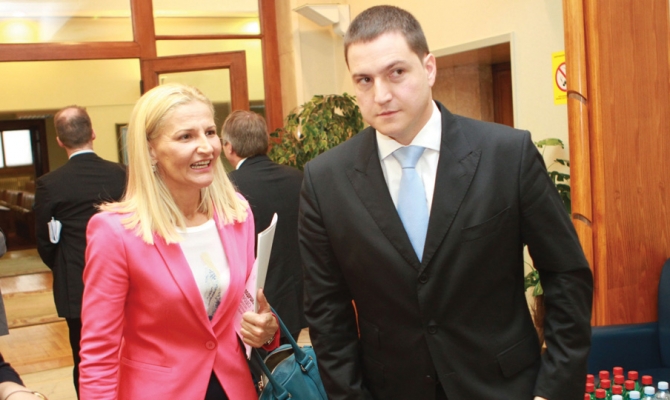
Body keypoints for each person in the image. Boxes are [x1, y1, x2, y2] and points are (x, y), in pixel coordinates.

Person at [298, 5, 593, 400]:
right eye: (364, 80)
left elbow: (567, 275)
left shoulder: (507, 155)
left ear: (429, 68)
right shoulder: (325, 181)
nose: (381, 95)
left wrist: (553, 391)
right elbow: (327, 314)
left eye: (396, 72)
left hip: (503, 388)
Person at [78, 83, 279, 399]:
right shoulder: (115, 232)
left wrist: (265, 329)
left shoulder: (236, 213)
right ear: (150, 150)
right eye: (186, 136)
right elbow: (99, 353)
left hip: (234, 388)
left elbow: (241, 308)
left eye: (209, 132)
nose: (206, 147)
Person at [33, 106, 127, 397]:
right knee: (130, 350)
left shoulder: (50, 184)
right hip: (127, 277)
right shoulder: (121, 174)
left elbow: (44, 241)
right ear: (93, 133)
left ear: (60, 141)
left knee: (85, 357)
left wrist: (62, 266)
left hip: (77, 282)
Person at [222, 110, 307, 341]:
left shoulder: (227, 189)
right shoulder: (299, 177)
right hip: (301, 296)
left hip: (256, 305)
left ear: (229, 147)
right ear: (266, 143)